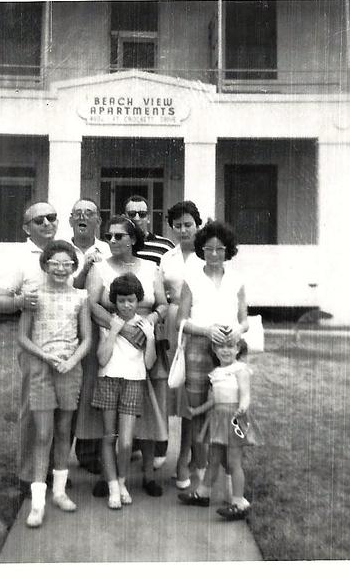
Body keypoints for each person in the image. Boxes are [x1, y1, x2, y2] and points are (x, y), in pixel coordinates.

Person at [78, 215, 168, 497]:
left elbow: (163, 304)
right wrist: (125, 330)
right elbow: (92, 304)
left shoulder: (152, 268)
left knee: (150, 407)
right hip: (112, 340)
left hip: (147, 341)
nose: (112, 240)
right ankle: (109, 477)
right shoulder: (100, 269)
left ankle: (149, 474)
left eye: (118, 236)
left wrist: (150, 321)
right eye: (109, 236)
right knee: (108, 414)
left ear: (132, 239)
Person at [17, 240, 92, 527]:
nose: (61, 269)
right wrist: (46, 356)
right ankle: (37, 503)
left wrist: (72, 361)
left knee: (63, 432)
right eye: (55, 264)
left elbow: (86, 338)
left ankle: (59, 492)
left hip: (69, 369)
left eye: (67, 264)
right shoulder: (34, 296)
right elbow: (22, 337)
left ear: (74, 267)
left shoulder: (80, 297)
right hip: (42, 368)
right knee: (43, 434)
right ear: (45, 265)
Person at [175, 220, 249, 492]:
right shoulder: (192, 280)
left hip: (228, 353)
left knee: (229, 411)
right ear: (201, 249)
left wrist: (235, 332)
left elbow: (245, 320)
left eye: (220, 249)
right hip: (198, 349)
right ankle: (201, 476)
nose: (214, 254)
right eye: (209, 249)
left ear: (228, 250)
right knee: (196, 414)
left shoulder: (237, 280)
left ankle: (231, 480)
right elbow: (180, 321)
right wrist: (207, 331)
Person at [0, 202, 59, 487]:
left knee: (59, 410)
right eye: (39, 220)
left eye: (52, 218)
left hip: (65, 344)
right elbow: (0, 302)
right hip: (34, 344)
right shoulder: (20, 258)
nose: (47, 223)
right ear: (26, 228)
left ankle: (52, 471)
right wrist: (21, 301)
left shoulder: (63, 250)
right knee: (33, 409)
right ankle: (27, 474)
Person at [177, 337, 262, 521]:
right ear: (214, 350)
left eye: (230, 346)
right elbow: (213, 400)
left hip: (234, 420)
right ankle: (203, 493)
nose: (226, 350)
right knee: (213, 459)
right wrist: (195, 410)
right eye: (221, 346)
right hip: (217, 420)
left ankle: (239, 502)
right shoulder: (215, 373)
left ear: (238, 348)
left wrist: (243, 407)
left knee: (233, 462)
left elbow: (246, 394)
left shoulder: (241, 370)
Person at [92, 273, 157, 509]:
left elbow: (149, 364)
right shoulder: (109, 321)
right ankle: (112, 488)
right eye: (121, 301)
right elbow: (101, 358)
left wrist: (150, 338)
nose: (126, 305)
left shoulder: (145, 324)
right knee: (109, 436)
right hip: (109, 379)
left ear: (138, 300)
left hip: (134, 381)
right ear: (114, 301)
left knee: (127, 443)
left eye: (131, 300)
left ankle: (121, 482)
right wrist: (113, 331)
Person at [124, 194, 174, 467]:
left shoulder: (164, 246)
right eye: (131, 214)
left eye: (142, 214)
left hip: (155, 323)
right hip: (127, 327)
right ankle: (131, 443)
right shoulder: (119, 245)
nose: (137, 219)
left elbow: (165, 287)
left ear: (149, 216)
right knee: (130, 385)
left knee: (157, 385)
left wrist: (153, 321)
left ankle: (159, 445)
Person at [62, 197, 110, 474]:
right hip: (67, 331)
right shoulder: (60, 250)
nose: (83, 217)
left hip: (96, 327)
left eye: (89, 213)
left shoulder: (107, 248)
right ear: (70, 220)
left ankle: (88, 453)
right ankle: (60, 457)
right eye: (77, 213)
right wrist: (84, 269)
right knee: (68, 389)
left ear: (98, 220)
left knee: (92, 388)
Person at [158, 201, 204, 486]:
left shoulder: (206, 256)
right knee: (166, 387)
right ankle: (157, 451)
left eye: (188, 224)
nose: (183, 230)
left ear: (197, 225)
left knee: (192, 394)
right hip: (172, 323)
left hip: (198, 324)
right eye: (178, 225)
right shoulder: (168, 257)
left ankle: (184, 459)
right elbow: (161, 291)